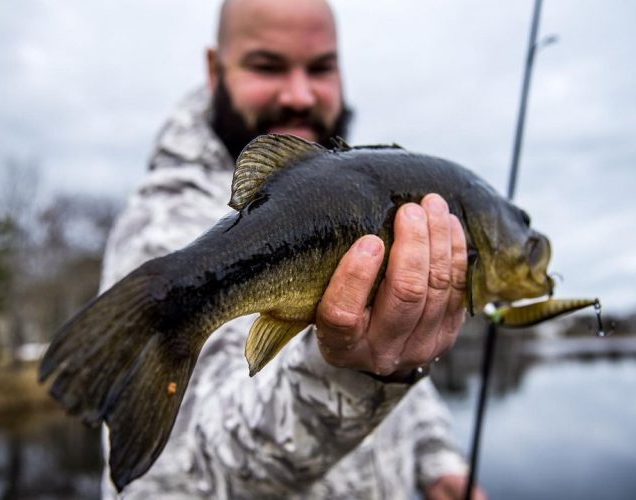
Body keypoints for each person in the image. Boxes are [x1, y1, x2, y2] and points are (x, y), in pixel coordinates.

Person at [100, 0, 486, 498]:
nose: (301, 95)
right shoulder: (160, 223)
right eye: (268, 65)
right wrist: (352, 370)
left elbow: (409, 376)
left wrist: (438, 461)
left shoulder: (360, 199)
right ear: (215, 71)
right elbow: (184, 474)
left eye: (321, 67)